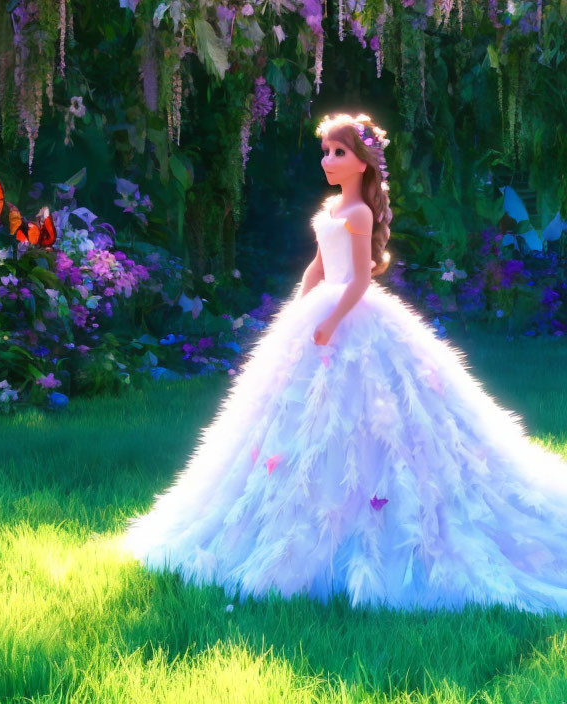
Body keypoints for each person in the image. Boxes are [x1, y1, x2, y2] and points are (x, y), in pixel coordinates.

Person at [121, 112, 567, 615]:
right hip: (317, 313)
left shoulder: (359, 215)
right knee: (296, 415)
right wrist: (298, 308)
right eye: (326, 152)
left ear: (362, 161)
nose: (328, 161)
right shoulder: (331, 210)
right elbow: (317, 266)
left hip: (350, 317)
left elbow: (358, 281)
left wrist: (330, 323)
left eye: (339, 152)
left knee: (366, 415)